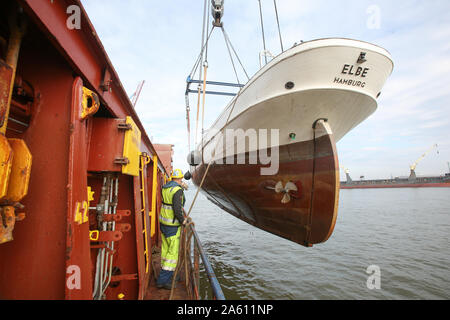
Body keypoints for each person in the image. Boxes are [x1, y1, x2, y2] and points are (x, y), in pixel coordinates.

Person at [156, 169, 186, 290]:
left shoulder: (165, 187)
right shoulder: (177, 190)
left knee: (165, 250)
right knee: (172, 253)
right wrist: (183, 221)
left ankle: (168, 275)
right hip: (172, 225)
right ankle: (163, 280)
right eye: (181, 179)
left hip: (163, 222)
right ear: (179, 179)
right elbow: (177, 209)